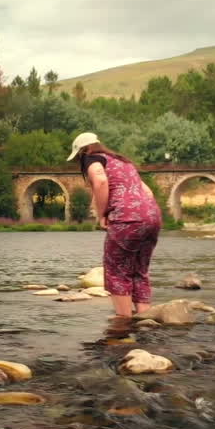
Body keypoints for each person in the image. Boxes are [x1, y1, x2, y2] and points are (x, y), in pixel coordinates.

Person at [68, 132, 162, 318]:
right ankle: (145, 319)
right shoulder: (123, 162)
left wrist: (102, 214)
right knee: (139, 270)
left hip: (126, 218)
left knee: (117, 271)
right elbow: (148, 192)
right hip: (152, 216)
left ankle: (124, 322)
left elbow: (100, 180)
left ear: (83, 151)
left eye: (78, 156)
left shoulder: (92, 158)